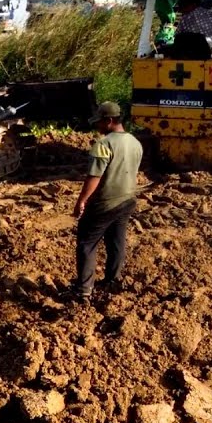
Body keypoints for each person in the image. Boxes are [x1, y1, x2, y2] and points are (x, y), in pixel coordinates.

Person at [71, 101, 142, 303]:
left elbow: (94, 177)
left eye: (99, 122)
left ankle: (83, 290)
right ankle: (113, 280)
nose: (97, 126)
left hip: (105, 203)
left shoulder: (103, 145)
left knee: (87, 244)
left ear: (109, 121)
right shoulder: (135, 142)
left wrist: (81, 201)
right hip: (127, 199)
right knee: (116, 242)